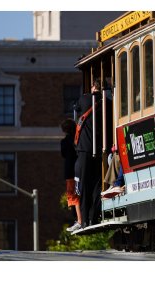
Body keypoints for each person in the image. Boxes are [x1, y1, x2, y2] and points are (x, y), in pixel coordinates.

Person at [74, 78, 113, 227]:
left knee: (84, 184)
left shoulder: (84, 99)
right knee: (98, 184)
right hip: (101, 148)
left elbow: (76, 109)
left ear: (92, 87)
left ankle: (83, 220)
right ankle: (93, 217)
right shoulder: (108, 104)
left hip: (84, 148)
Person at [60, 118, 82, 232]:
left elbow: (63, 154)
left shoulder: (64, 142)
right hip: (79, 168)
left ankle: (79, 220)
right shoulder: (78, 139)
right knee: (78, 194)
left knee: (73, 196)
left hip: (70, 171)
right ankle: (80, 219)